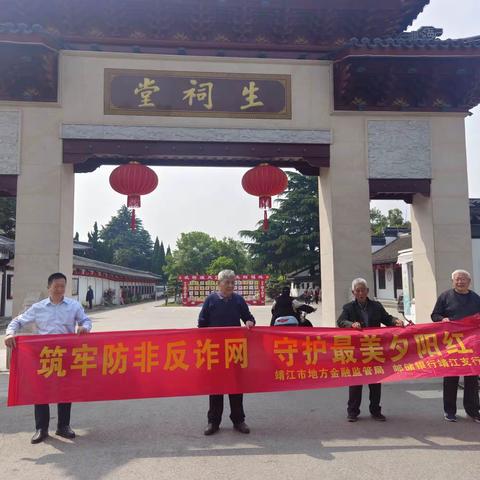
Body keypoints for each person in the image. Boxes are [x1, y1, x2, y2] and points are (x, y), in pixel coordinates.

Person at [4, 272, 92, 444]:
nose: (60, 289)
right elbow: (17, 322)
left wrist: (84, 328)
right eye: (56, 286)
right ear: (49, 287)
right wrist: (9, 334)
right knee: (41, 392)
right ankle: (41, 428)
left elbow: (86, 320)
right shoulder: (38, 308)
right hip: (44, 355)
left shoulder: (73, 306)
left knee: (65, 390)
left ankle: (63, 426)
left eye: (62, 286)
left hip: (66, 354)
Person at [337, 277, 404, 422]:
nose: (361, 293)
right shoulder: (348, 308)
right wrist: (351, 324)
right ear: (353, 292)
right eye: (358, 291)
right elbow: (340, 321)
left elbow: (386, 318)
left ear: (367, 291)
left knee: (375, 381)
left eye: (363, 290)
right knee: (356, 382)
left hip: (374, 349)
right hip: (356, 351)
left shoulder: (376, 306)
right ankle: (353, 412)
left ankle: (375, 411)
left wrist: (395, 321)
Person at [198, 269, 255, 436]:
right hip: (215, 350)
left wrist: (250, 322)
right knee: (216, 386)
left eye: (232, 282)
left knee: (236, 385)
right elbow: (202, 323)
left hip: (234, 349)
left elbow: (248, 317)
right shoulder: (210, 300)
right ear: (219, 283)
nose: (230, 285)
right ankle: (213, 422)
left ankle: (239, 420)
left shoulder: (238, 300)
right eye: (227, 282)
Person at [431, 269, 480, 423]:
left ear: (469, 282)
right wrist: (443, 319)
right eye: (458, 279)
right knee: (451, 378)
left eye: (464, 279)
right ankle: (450, 411)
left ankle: (473, 411)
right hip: (451, 345)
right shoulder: (445, 297)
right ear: (453, 281)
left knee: (472, 379)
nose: (461, 282)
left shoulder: (476, 298)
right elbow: (434, 316)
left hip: (471, 346)